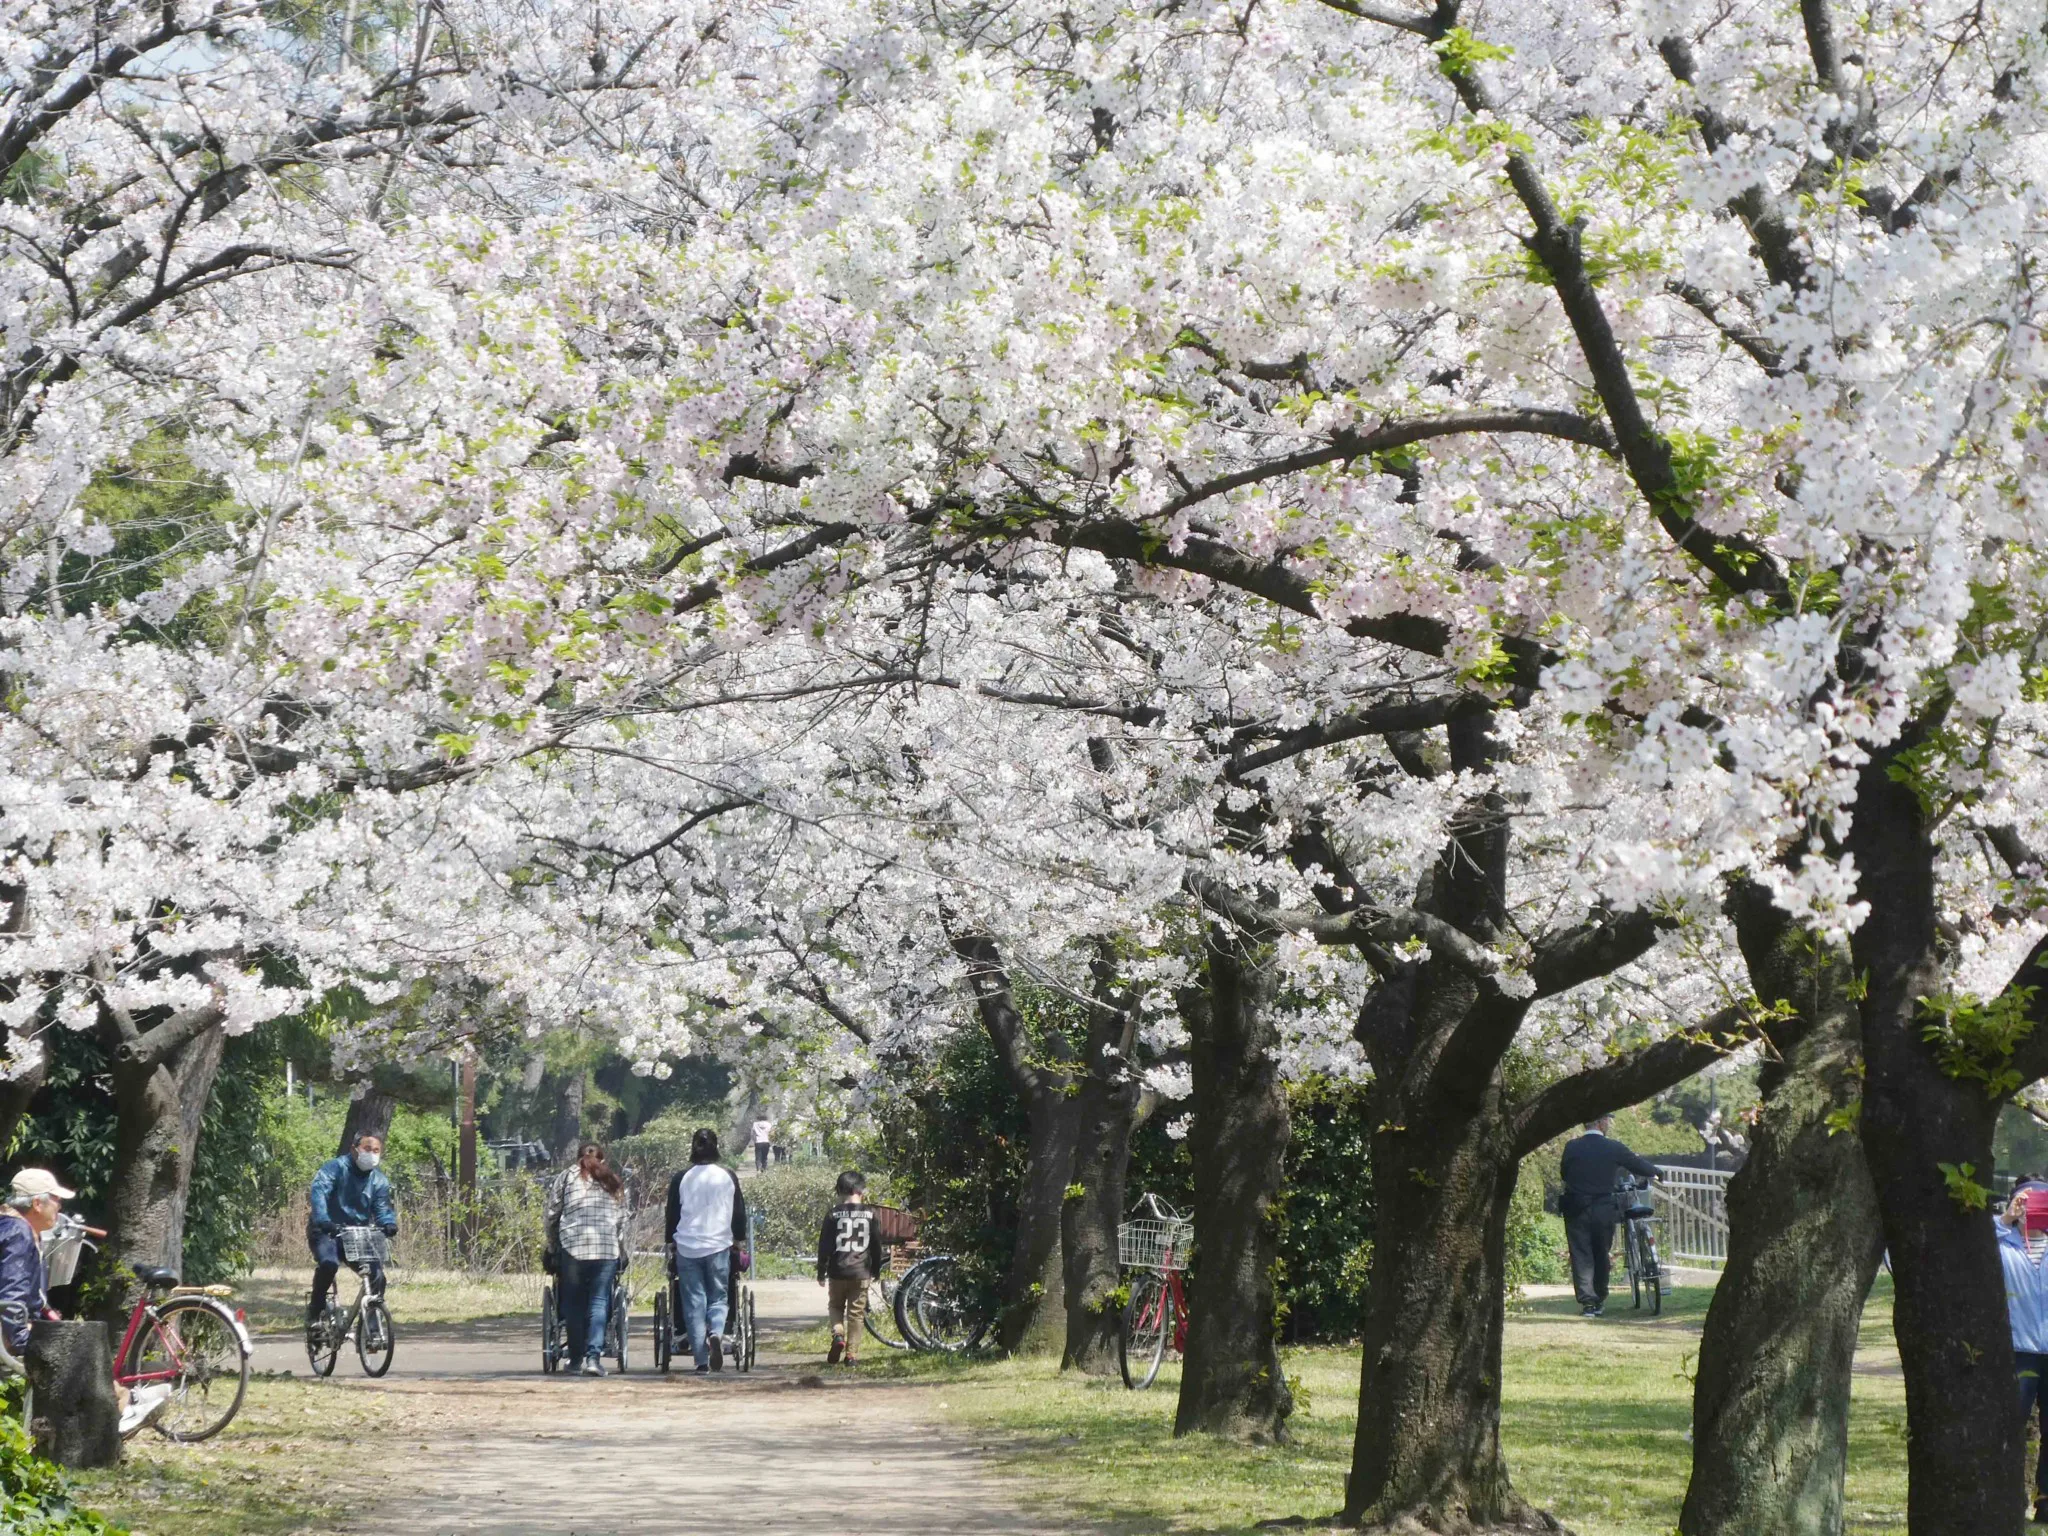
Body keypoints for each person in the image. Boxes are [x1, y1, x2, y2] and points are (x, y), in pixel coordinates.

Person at [1, 1169, 171, 1431]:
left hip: (16, 1329)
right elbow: (11, 1296)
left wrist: (47, 1315)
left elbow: (26, 1291)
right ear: (37, 1204)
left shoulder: (17, 1229)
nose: (60, 1206)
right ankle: (118, 1411)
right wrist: (25, 1339)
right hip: (9, 1337)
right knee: (81, 1347)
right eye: (56, 1200)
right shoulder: (18, 1234)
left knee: (81, 1338)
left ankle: (125, 1401)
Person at [664, 1128, 748, 1373]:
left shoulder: (682, 1177)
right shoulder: (727, 1176)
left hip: (688, 1247)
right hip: (719, 1245)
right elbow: (738, 1211)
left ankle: (701, 1360)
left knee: (693, 1303)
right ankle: (716, 1333)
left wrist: (671, 1241)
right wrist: (739, 1239)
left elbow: (672, 1213)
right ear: (716, 1146)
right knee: (719, 1297)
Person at [1558, 1115, 1660, 1317]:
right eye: (1607, 1121)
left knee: (1581, 1254)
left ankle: (1588, 1303)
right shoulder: (1613, 1147)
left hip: (1576, 1206)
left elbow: (1564, 1173)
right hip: (1604, 1207)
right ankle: (1600, 1298)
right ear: (1601, 1123)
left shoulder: (1572, 1147)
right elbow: (1636, 1164)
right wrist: (1657, 1172)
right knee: (1601, 1252)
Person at [546, 1142, 629, 1376]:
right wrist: (619, 1247)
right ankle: (594, 1359)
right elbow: (621, 1219)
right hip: (605, 1249)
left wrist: (553, 1246)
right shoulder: (612, 1179)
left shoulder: (566, 1177)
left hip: (573, 1247)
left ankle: (574, 1360)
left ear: (578, 1158)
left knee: (573, 1303)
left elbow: (552, 1214)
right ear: (601, 1159)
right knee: (599, 1302)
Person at [306, 1133, 398, 1326]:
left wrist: (388, 1223)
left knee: (377, 1276)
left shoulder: (379, 1180)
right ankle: (316, 1310)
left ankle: (372, 1328)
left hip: (356, 1235)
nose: (371, 1154)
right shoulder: (335, 1168)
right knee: (329, 1264)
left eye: (376, 1151)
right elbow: (319, 1192)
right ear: (354, 1149)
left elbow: (381, 1208)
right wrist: (323, 1219)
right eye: (367, 1149)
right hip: (327, 1231)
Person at [2002, 1179, 2048, 1522]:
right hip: (2019, 1352)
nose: (2031, 1207)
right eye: (2025, 1200)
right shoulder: (2002, 1242)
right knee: (2008, 1426)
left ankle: (2045, 1501)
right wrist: (2006, 1220)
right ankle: (2008, 1498)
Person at [816, 1169, 882, 1366]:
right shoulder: (871, 1214)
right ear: (859, 1189)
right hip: (861, 1272)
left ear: (839, 1190)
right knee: (856, 1314)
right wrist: (876, 1268)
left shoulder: (833, 1214)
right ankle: (851, 1355)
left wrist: (821, 1270)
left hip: (837, 1271)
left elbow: (824, 1245)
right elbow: (876, 1245)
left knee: (835, 1306)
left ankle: (838, 1334)